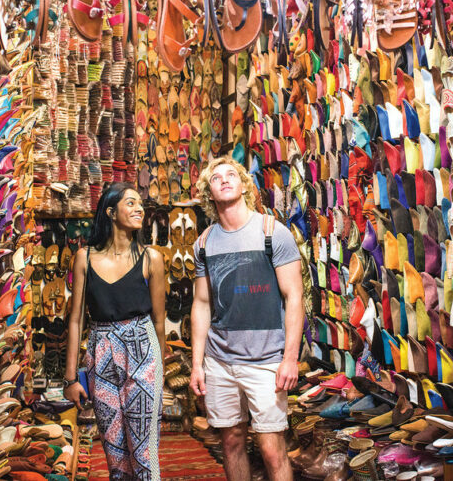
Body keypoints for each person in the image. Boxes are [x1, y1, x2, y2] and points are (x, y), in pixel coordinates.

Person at [189, 157, 305, 481]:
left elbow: (294, 297)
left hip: (266, 360)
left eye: (231, 175)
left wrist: (290, 359)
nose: (224, 180)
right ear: (208, 193)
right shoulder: (204, 243)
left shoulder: (273, 232)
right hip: (220, 360)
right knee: (231, 442)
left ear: (244, 186)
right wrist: (197, 364)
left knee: (271, 447)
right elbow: (200, 303)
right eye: (216, 178)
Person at [64, 182, 167, 481]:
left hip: (143, 351)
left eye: (140, 204)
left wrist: (158, 372)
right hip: (100, 352)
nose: (139, 209)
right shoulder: (85, 257)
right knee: (115, 454)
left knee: (144, 453)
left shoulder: (152, 259)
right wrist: (70, 379)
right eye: (131, 203)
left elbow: (159, 322)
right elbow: (75, 321)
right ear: (111, 212)